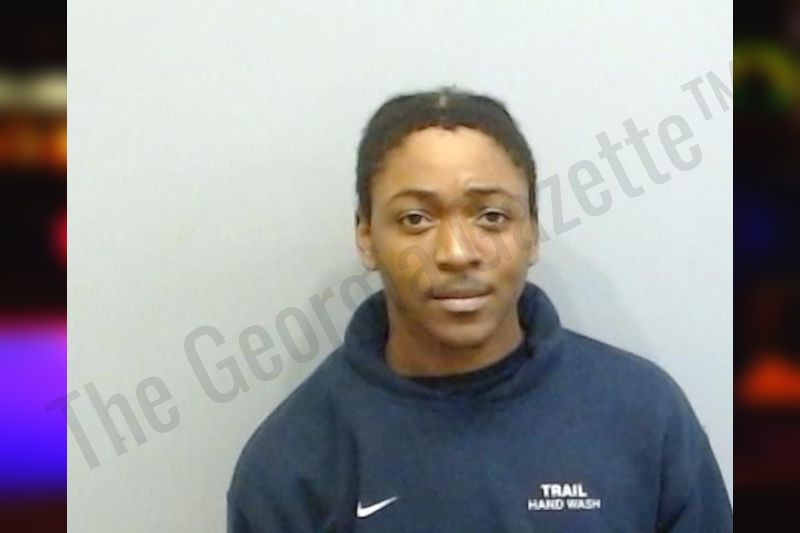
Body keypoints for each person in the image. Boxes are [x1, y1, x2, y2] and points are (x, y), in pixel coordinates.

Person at [227, 87, 732, 532]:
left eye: (491, 216)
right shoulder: (293, 463)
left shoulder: (644, 415)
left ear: (531, 232)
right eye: (416, 218)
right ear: (366, 236)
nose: (456, 253)